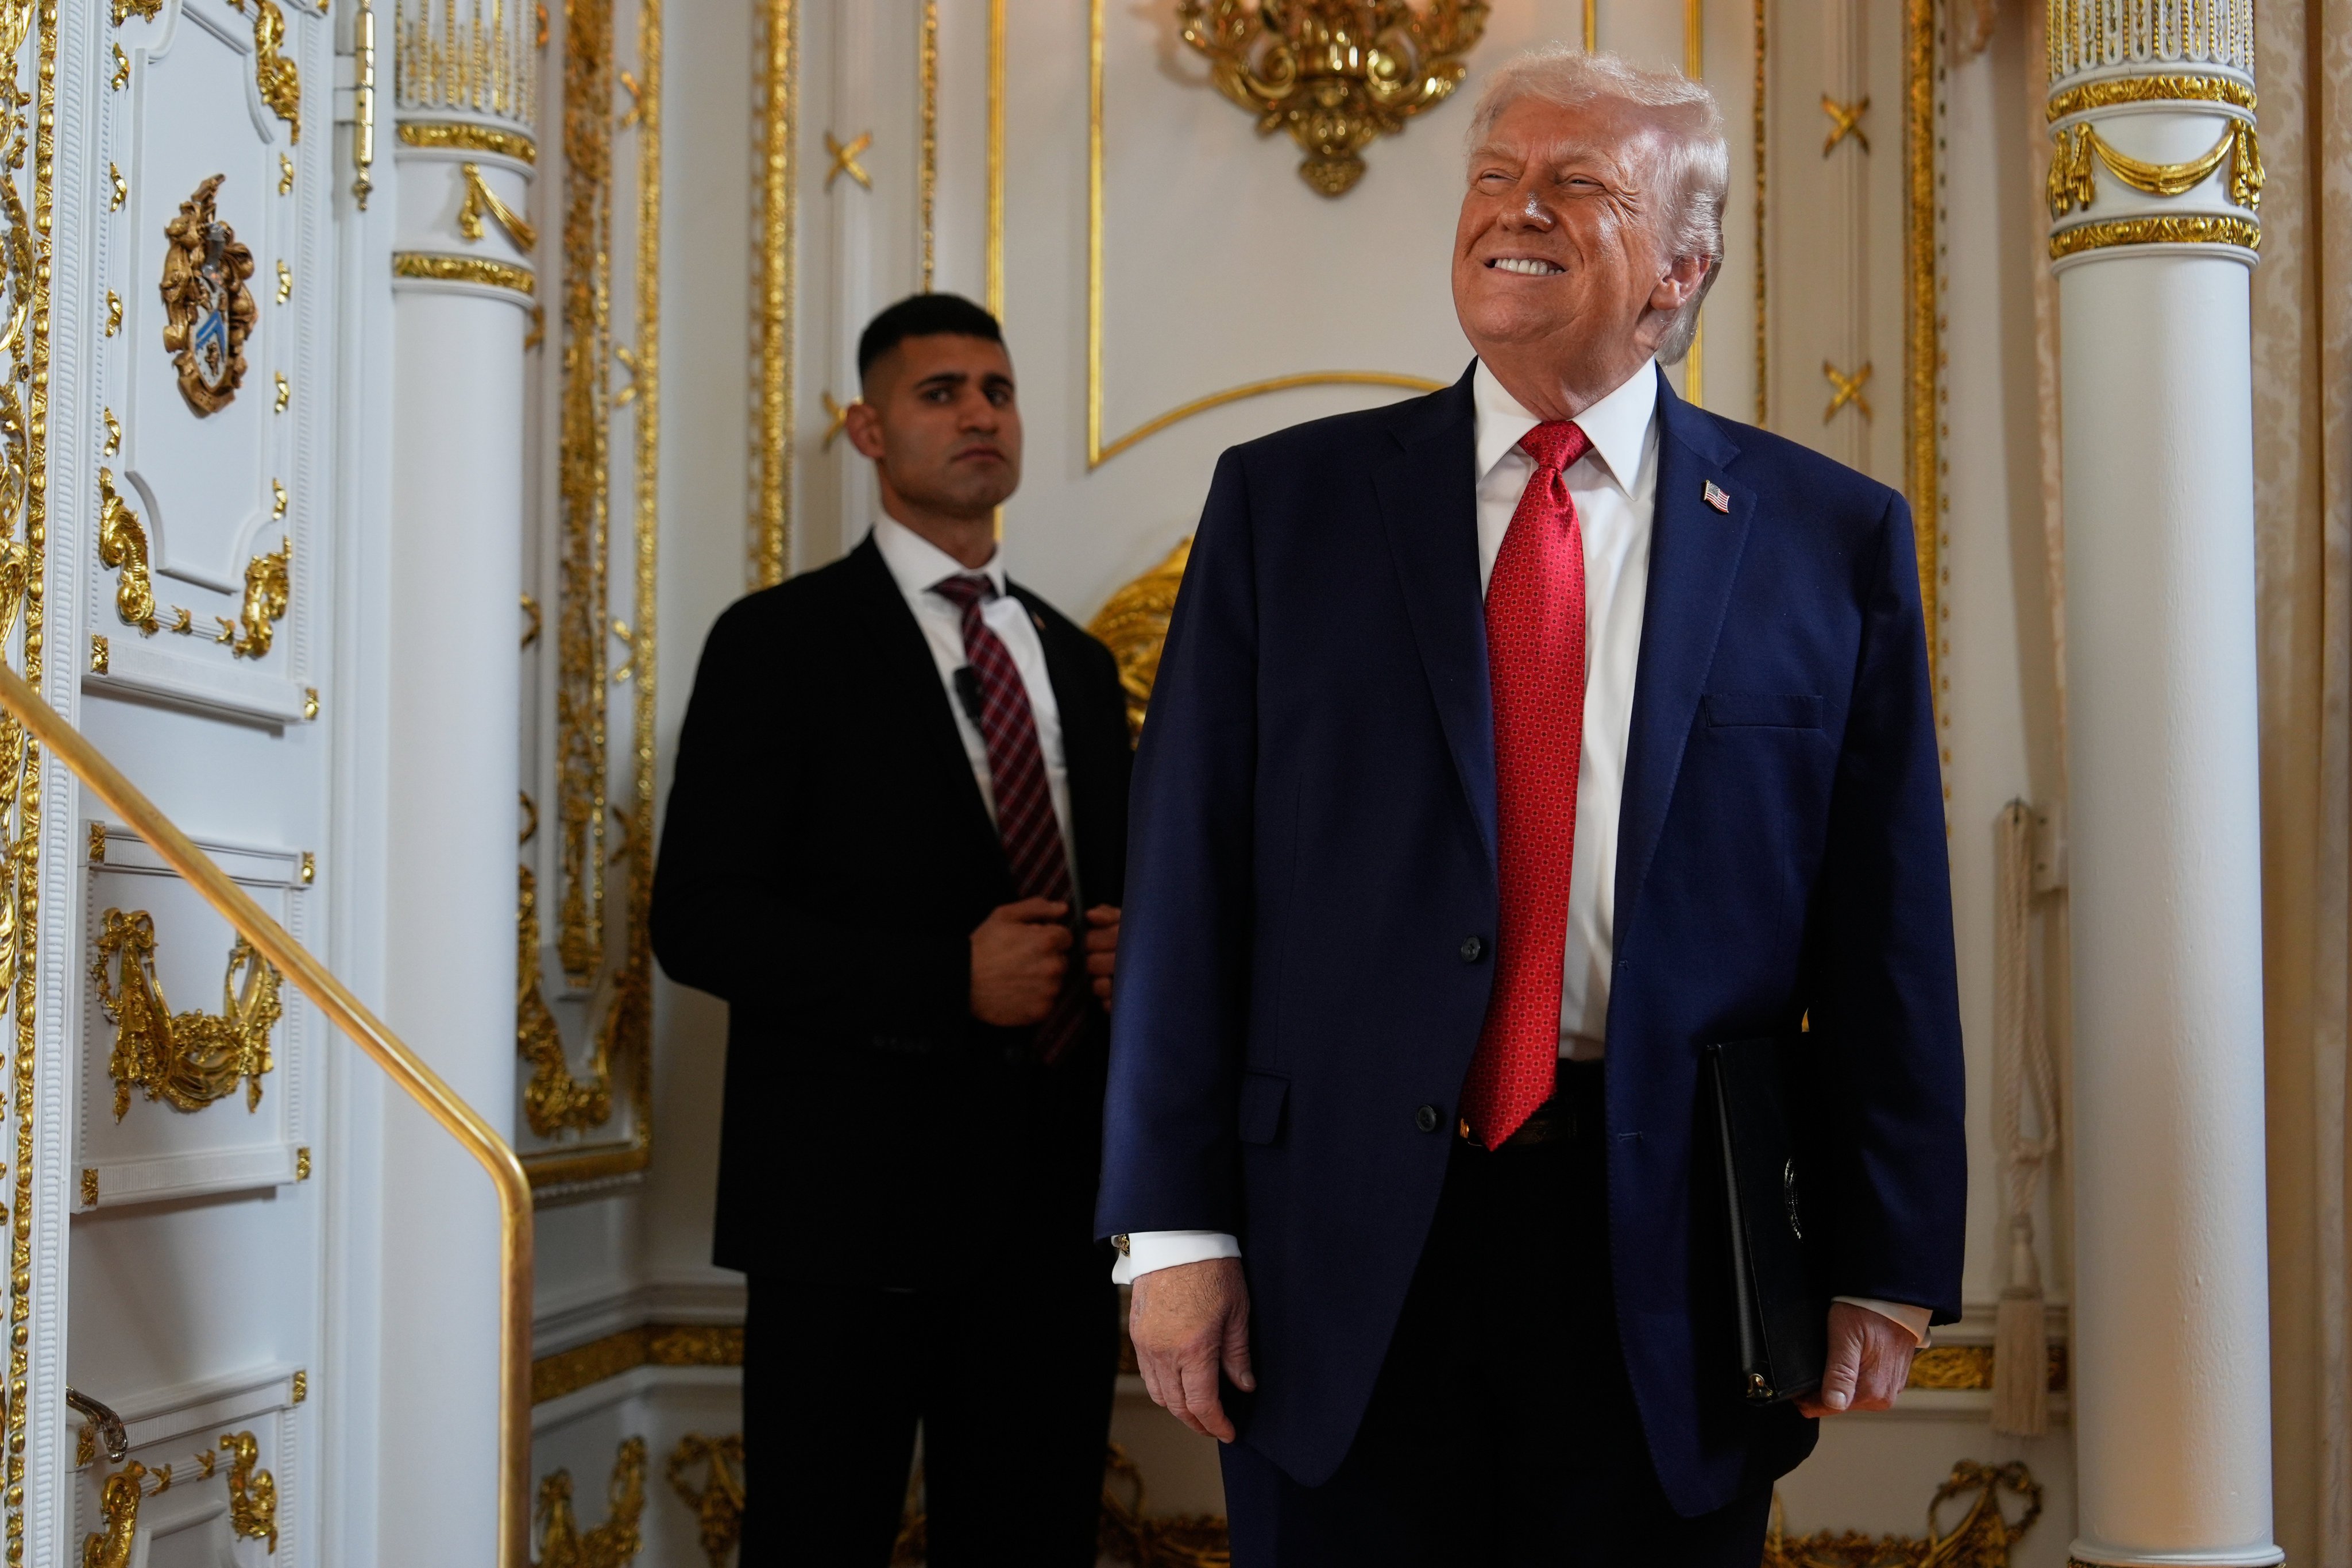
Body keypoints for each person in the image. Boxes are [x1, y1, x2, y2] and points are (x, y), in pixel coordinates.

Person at [1096, 47, 1966, 1567]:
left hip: (1674, 1259)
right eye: (1497, 177)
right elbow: (1189, 885)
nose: (1520, 209)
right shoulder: (1284, 508)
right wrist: (1172, 1230)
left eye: (1580, 184)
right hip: (1341, 1243)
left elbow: (1886, 926)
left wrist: (1888, 1251)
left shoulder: (1826, 540)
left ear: (1679, 270)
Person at [652, 292, 1133, 1566]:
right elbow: (696, 920)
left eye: (997, 389)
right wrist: (943, 979)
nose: (978, 413)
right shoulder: (776, 644)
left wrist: (1135, 957)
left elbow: (1121, 884)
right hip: (840, 1220)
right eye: (940, 394)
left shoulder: (1075, 664)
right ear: (868, 429)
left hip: (1053, 1219)